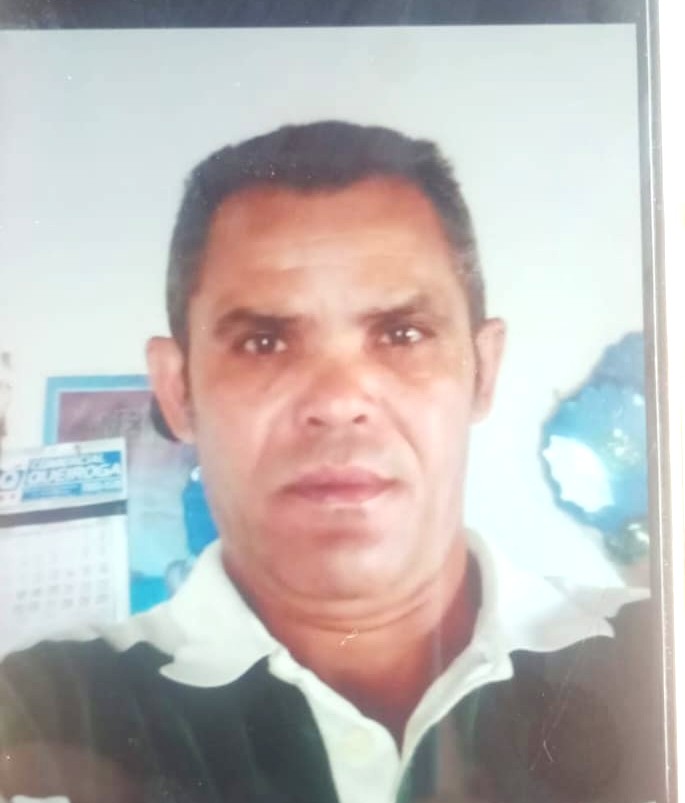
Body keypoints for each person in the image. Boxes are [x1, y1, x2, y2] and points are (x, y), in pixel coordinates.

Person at [0, 121, 659, 803]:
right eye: (263, 342)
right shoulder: (44, 711)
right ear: (177, 391)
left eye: (401, 333)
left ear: (482, 372)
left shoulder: (659, 659)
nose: (338, 401)